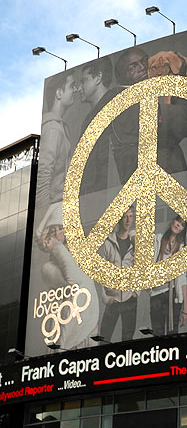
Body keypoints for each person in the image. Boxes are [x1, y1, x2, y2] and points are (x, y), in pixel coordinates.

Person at [111, 47, 187, 181]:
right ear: (121, 79)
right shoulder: (128, 107)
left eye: (144, 62)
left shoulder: (143, 98)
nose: (143, 68)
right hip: (154, 191)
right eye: (133, 67)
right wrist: (180, 72)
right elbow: (184, 121)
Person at [36, 203, 99, 350]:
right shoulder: (47, 268)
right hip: (66, 339)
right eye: (53, 231)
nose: (58, 234)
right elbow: (75, 281)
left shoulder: (83, 256)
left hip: (87, 332)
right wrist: (57, 247)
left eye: (61, 228)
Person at [37, 71, 76, 210]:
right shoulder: (53, 129)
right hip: (51, 211)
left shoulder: (59, 127)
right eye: (72, 86)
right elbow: (43, 175)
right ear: (59, 93)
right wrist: (43, 217)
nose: (75, 90)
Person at [99, 207, 138, 342]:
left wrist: (136, 292)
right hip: (113, 299)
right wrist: (105, 298)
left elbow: (140, 269)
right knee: (104, 338)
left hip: (130, 299)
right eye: (125, 216)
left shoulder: (135, 243)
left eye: (131, 216)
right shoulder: (108, 243)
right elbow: (100, 273)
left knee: (128, 340)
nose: (128, 220)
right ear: (119, 219)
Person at [78, 57, 116, 194]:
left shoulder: (116, 104)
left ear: (98, 77)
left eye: (84, 81)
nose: (79, 88)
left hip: (108, 191)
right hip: (94, 194)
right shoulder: (90, 117)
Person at [150, 216, 187, 335]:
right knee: (157, 333)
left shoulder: (181, 249)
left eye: (182, 224)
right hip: (156, 294)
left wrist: (185, 310)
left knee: (173, 334)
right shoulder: (158, 240)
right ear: (173, 221)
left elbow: (182, 279)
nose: (178, 225)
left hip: (173, 295)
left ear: (183, 229)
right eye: (178, 221)